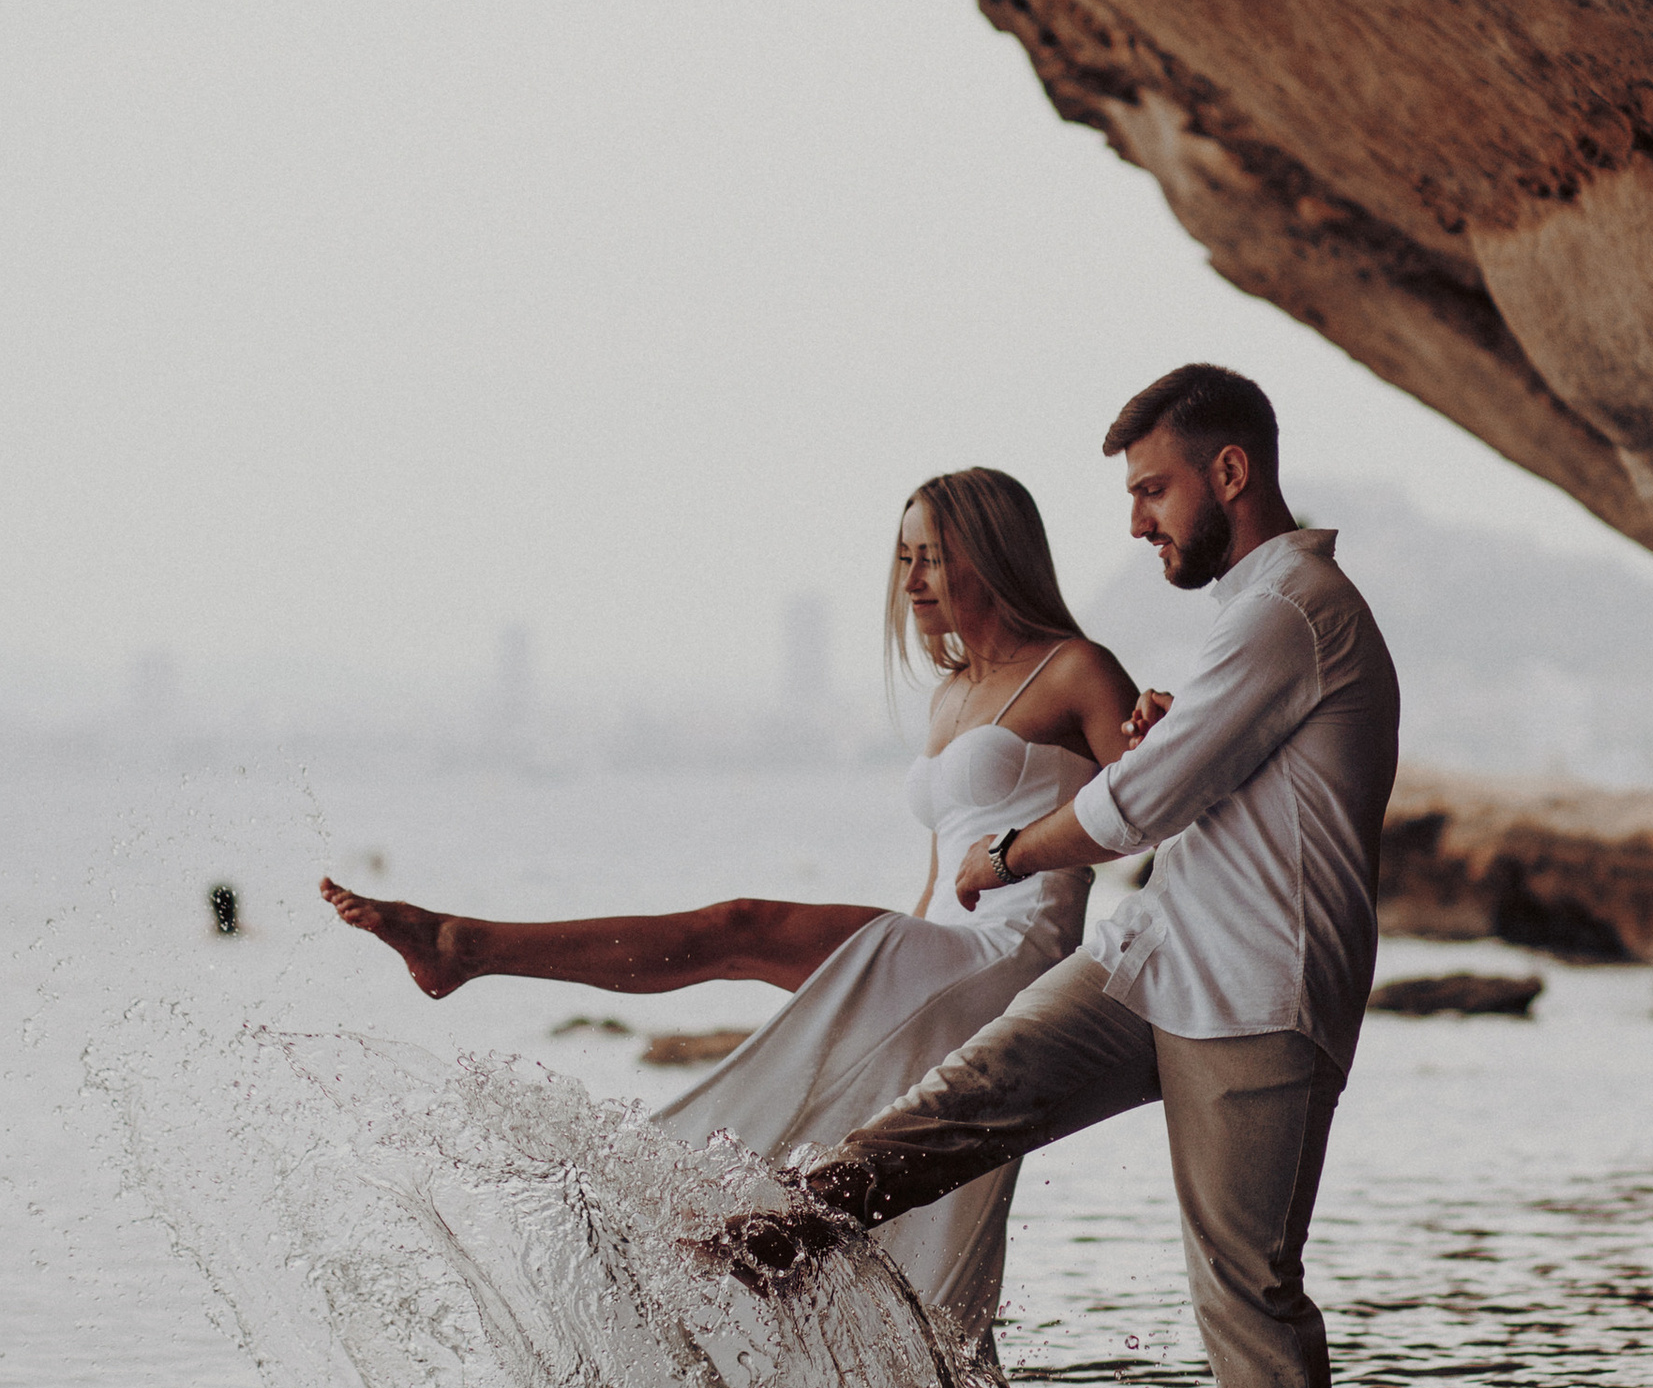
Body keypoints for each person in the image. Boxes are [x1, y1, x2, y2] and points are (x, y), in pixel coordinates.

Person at [733, 365, 1401, 1388]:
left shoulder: (1292, 611)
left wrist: (1007, 856)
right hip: (1151, 961)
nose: (1137, 521)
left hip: (1256, 995)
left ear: (1228, 473)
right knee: (960, 1102)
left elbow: (1140, 807)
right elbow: (1181, 780)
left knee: (1244, 1287)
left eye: (1152, 490)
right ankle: (771, 1246)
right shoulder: (1252, 619)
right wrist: (1153, 735)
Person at [320, 470, 1140, 1342]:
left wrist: (1032, 846)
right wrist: (864, 984)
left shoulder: (1077, 668)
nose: (909, 582)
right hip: (942, 947)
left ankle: (466, 945)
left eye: (933, 557)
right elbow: (938, 878)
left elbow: (1152, 805)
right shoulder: (949, 696)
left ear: (996, 553)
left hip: (1015, 954)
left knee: (738, 928)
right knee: (850, 1134)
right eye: (903, 558)